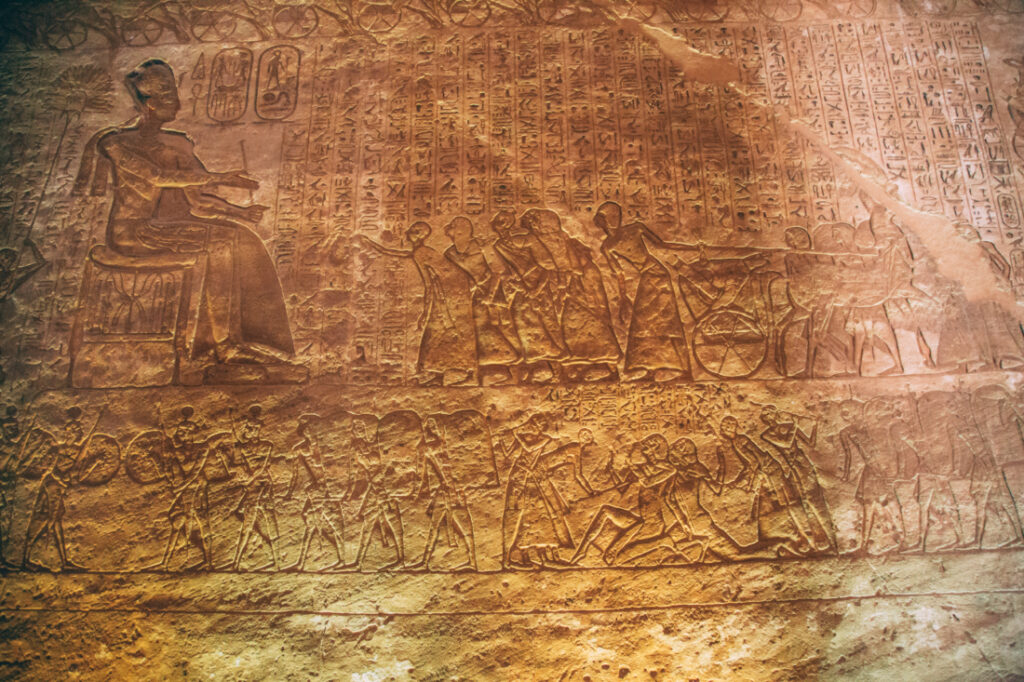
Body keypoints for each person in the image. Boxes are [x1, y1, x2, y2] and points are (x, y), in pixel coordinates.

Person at [74, 58, 294, 365]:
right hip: (132, 233)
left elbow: (199, 203)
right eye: (164, 89)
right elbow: (155, 177)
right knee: (218, 245)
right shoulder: (115, 143)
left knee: (237, 239)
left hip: (159, 230)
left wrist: (242, 214)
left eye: (173, 88)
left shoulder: (177, 145)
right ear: (144, 99)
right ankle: (224, 346)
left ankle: (242, 339)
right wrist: (218, 176)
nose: (174, 97)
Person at [361, 223, 476, 386]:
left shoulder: (422, 252)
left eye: (415, 231)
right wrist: (371, 244)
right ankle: (437, 371)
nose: (409, 232)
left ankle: (458, 370)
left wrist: (426, 311)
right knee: (440, 331)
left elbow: (429, 284)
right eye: (411, 230)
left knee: (441, 330)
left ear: (422, 235)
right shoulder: (420, 251)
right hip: (450, 289)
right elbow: (395, 252)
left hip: (452, 291)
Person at [596, 201, 691, 381]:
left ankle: (675, 368)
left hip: (657, 273)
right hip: (646, 276)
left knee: (663, 322)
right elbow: (619, 272)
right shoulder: (608, 246)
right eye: (608, 217)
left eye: (616, 216)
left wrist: (691, 249)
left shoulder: (636, 229)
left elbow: (663, 246)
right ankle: (650, 369)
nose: (613, 220)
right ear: (602, 220)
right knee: (644, 324)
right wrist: (623, 298)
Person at [524, 208, 620, 381]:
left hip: (576, 290)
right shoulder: (535, 243)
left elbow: (573, 267)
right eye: (542, 230)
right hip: (553, 291)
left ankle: (598, 364)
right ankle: (558, 367)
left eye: (550, 229)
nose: (548, 233)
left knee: (582, 323)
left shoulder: (565, 243)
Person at [443, 216, 521, 385]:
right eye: (453, 230)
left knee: (484, 331)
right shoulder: (449, 253)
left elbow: (499, 271)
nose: (454, 234)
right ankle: (471, 373)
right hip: (463, 299)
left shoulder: (483, 247)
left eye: (458, 230)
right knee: (466, 334)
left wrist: (490, 295)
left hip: (486, 296)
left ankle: (498, 370)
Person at [284, 416, 346, 572]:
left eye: (311, 428)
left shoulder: (325, 446)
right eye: (306, 429)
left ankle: (340, 559)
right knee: (311, 521)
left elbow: (340, 467)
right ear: (303, 432)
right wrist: (290, 492)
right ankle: (305, 562)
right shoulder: (300, 449)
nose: (309, 432)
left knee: (332, 524)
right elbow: (296, 473)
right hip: (317, 489)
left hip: (328, 489)